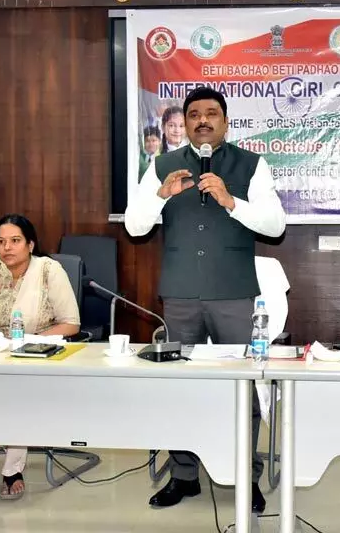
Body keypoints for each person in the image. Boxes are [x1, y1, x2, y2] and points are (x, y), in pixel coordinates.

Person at [125, 86, 286, 512]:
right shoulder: (162, 165)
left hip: (234, 294)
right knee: (180, 388)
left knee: (246, 387)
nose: (202, 120)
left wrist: (231, 202)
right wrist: (160, 196)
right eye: (194, 113)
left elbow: (274, 225)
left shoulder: (252, 164)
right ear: (185, 121)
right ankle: (183, 476)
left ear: (225, 121)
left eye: (211, 113)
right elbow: (135, 227)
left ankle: (245, 478)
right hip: (180, 294)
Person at [0, 214, 80, 502]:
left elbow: (71, 324)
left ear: (30, 244)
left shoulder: (50, 270)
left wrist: (28, 346)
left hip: (37, 356)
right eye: (1, 241)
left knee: (18, 390)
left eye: (15, 241)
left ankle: (13, 470)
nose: (7, 247)